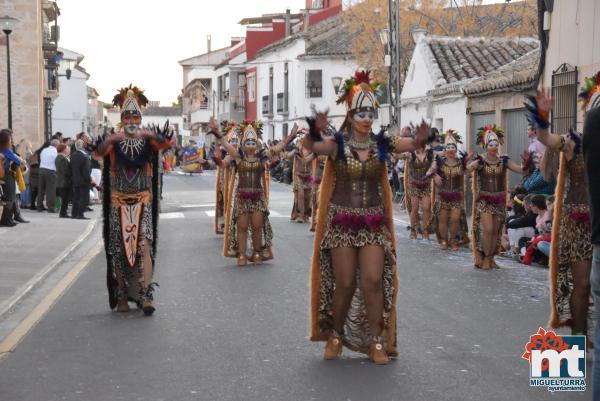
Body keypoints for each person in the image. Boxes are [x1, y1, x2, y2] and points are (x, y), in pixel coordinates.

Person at [304, 70, 429, 364]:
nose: (366, 117)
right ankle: (335, 335)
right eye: (361, 111)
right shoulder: (337, 144)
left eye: (371, 112)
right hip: (341, 223)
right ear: (350, 113)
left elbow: (410, 145)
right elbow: (312, 147)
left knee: (372, 280)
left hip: (373, 222)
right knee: (345, 282)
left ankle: (376, 340)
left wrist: (423, 137)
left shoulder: (381, 144)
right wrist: (313, 130)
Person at [93, 86, 173, 315]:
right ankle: (121, 295)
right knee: (118, 249)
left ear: (141, 118)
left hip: (143, 201)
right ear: (121, 118)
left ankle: (146, 294)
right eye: (127, 116)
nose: (131, 121)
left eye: (135, 116)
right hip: (118, 203)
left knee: (144, 247)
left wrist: (147, 134)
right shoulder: (114, 142)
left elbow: (166, 144)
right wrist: (113, 137)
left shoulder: (148, 141)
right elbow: (97, 152)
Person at [525, 90, 593, 338]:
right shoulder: (574, 143)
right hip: (579, 226)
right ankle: (580, 335)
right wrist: (542, 118)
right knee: (582, 284)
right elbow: (547, 139)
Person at [210, 118, 297, 266]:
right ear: (243, 145)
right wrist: (217, 133)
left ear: (257, 144)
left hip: (257, 199)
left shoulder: (262, 158)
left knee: (257, 227)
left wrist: (291, 136)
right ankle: (242, 255)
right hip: (242, 198)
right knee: (242, 227)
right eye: (247, 143)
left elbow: (277, 148)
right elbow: (226, 145)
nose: (250, 145)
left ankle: (257, 253)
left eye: (252, 142)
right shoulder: (237, 158)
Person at [468, 124, 524, 269]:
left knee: (495, 231)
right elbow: (466, 171)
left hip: (499, 201)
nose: (494, 146)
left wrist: (530, 163)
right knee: (487, 229)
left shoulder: (504, 161)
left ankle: (491, 257)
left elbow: (520, 170)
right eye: (491, 144)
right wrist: (468, 163)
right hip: (485, 201)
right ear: (486, 146)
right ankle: (485, 258)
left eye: (496, 144)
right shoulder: (481, 161)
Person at [580, 70, 600, 398]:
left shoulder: (592, 123)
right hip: (573, 228)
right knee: (574, 290)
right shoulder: (590, 126)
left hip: (591, 229)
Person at [429, 129, 469, 250]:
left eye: (453, 147)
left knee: (455, 218)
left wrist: (474, 166)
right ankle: (444, 240)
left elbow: (468, 171)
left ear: (456, 149)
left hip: (456, 195)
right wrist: (434, 175)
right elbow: (430, 170)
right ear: (445, 149)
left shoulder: (460, 162)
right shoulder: (439, 161)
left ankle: (453, 240)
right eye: (448, 147)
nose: (451, 149)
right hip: (442, 195)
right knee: (443, 219)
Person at [401, 128, 434, 240]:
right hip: (414, 184)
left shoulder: (430, 153)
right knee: (414, 208)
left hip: (426, 184)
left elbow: (440, 155)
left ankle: (425, 230)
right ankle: (414, 229)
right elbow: (398, 155)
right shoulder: (410, 153)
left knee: (426, 208)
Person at [0, 129, 25, 226]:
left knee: (6, 198)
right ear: (6, 141)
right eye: (10, 140)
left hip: (2, 175)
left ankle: (6, 220)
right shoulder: (7, 150)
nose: (11, 142)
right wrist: (21, 160)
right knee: (10, 198)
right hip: (8, 175)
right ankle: (6, 221)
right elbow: (19, 161)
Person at [287, 132, 314, 224]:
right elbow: (287, 156)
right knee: (300, 195)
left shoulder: (312, 149)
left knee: (307, 196)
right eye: (301, 138)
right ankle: (300, 215)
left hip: (309, 175)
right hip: (298, 175)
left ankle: (306, 214)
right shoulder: (296, 150)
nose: (302, 140)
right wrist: (295, 150)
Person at [70, 139, 91, 219]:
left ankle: (74, 214)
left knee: (76, 197)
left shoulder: (73, 155)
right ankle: (80, 214)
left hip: (75, 179)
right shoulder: (84, 157)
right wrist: (89, 179)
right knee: (84, 198)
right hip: (84, 181)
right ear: (82, 147)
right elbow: (86, 171)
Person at [37, 139, 59, 212]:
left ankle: (39, 206)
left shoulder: (44, 150)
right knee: (50, 190)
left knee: (41, 189)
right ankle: (51, 207)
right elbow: (56, 162)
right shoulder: (55, 151)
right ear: (56, 145)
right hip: (50, 171)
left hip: (41, 169)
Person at [55, 144, 73, 218]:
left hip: (61, 180)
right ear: (64, 149)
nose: (68, 150)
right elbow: (65, 171)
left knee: (65, 198)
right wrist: (71, 171)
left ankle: (63, 212)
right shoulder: (62, 158)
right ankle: (63, 213)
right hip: (63, 181)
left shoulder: (60, 157)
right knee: (65, 198)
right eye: (67, 148)